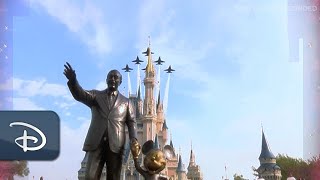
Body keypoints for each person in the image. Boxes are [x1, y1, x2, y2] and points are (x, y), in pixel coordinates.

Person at [63, 62, 139, 180]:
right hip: (96, 143)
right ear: (106, 79)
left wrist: (134, 138)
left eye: (116, 77)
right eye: (110, 76)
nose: (113, 79)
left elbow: (132, 122)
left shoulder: (127, 102)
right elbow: (80, 94)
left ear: (120, 82)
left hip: (116, 145)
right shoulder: (96, 96)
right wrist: (73, 81)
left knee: (114, 177)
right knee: (90, 176)